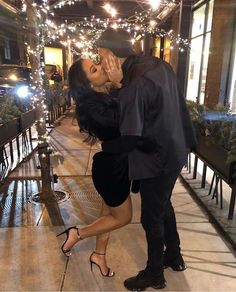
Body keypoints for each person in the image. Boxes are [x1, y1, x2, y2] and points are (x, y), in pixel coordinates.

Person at [96, 28, 197, 290]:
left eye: (100, 56)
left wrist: (104, 145)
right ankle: (174, 257)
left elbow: (129, 138)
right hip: (177, 148)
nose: (99, 63)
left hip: (157, 158)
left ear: (112, 57)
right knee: (163, 205)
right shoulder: (157, 63)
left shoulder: (134, 84)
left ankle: (154, 273)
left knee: (151, 217)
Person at [57, 56, 135, 277]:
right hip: (112, 171)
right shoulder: (92, 107)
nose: (101, 68)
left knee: (107, 217)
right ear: (88, 84)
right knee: (122, 218)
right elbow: (126, 118)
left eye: (97, 63)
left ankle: (99, 255)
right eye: (94, 69)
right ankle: (77, 233)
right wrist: (121, 83)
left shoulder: (103, 97)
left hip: (116, 166)